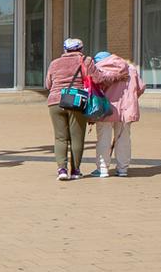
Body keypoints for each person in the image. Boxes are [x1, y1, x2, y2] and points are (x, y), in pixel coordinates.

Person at [89, 49, 145, 177]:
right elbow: (140, 88)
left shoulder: (98, 69)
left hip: (105, 110)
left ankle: (102, 169)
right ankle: (122, 169)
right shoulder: (130, 68)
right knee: (124, 139)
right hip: (126, 110)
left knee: (103, 139)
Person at [44, 38, 93, 180]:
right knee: (77, 137)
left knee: (60, 137)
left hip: (55, 101)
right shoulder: (86, 61)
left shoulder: (54, 63)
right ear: (81, 49)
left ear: (65, 49)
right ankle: (76, 171)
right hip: (77, 101)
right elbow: (97, 78)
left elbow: (48, 84)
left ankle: (62, 170)